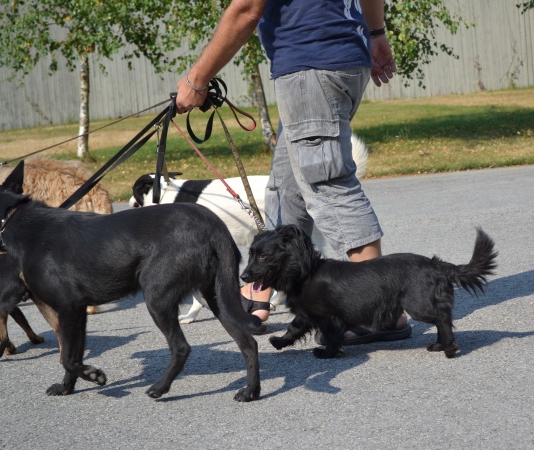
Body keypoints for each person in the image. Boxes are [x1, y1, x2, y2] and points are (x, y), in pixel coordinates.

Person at [175, 0, 411, 343]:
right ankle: (259, 291)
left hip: (311, 63)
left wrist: (197, 79)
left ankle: (379, 310)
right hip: (342, 54)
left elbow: (246, 8)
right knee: (287, 185)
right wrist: (375, 32)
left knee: (328, 184)